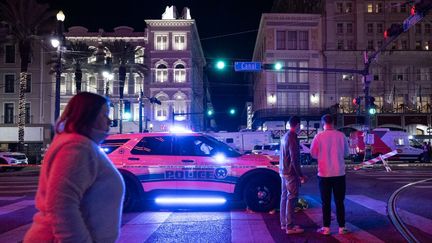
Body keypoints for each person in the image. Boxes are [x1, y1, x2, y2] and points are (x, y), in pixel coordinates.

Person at [24, 92, 125, 243]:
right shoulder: (77, 147)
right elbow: (61, 206)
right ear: (89, 115)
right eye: (105, 114)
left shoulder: (81, 145)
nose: (109, 120)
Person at [310, 114, 350, 235]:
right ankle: (342, 227)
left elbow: (313, 153)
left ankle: (326, 228)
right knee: (339, 201)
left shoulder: (318, 136)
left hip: (324, 174)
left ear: (323, 123)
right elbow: (346, 154)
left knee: (325, 202)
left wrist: (322, 156)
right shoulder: (341, 136)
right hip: (339, 173)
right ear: (333, 122)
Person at [279, 116, 307, 234]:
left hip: (283, 171)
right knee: (292, 197)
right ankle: (290, 227)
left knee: (284, 197)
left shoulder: (284, 136)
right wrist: (300, 175)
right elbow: (294, 158)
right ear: (297, 125)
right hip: (290, 172)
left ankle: (284, 223)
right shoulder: (292, 137)